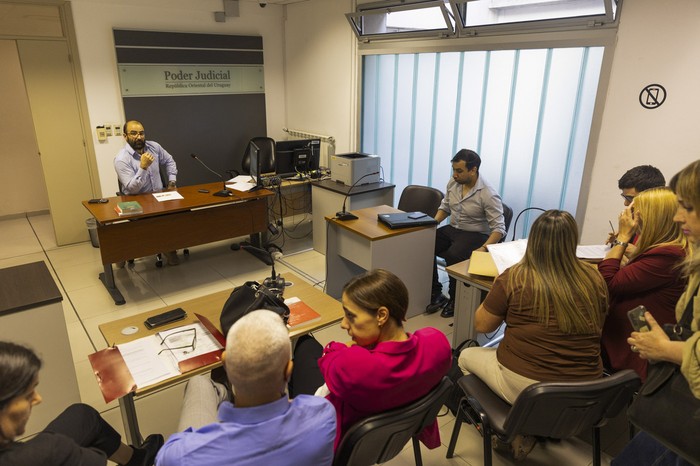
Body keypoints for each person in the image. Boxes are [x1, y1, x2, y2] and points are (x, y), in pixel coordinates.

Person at [458, 210, 608, 461]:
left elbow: (482, 325)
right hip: (587, 389)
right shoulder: (593, 276)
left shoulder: (515, 276)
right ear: (572, 240)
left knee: (465, 355)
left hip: (532, 388)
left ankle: (516, 429)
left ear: (534, 240)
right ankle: (536, 423)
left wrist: (498, 287)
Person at [292, 269, 452, 451]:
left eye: (350, 316)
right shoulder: (437, 344)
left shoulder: (358, 368)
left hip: (339, 442)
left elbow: (330, 356)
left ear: (381, 315)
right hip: (388, 443)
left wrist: (336, 347)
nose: (343, 324)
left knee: (305, 345)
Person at [155, 310, 336, 466]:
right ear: (288, 371)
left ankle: (224, 393)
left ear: (225, 364)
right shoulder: (323, 416)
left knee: (198, 383)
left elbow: (168, 455)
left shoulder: (179, 456)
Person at [615, 160, 700, 466]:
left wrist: (669, 350)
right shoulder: (691, 253)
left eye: (687, 207)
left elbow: (611, 283)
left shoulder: (670, 253)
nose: (679, 217)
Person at [0, 341, 163, 466]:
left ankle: (137, 460)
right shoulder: (52, 451)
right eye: (28, 395)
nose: (37, 399)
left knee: (82, 415)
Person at [598, 187, 689, 380]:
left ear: (652, 218)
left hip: (636, 356)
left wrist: (622, 239)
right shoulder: (669, 249)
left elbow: (608, 282)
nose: (630, 219)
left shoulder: (668, 255)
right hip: (628, 342)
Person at [427, 149, 506, 318]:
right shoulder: (453, 183)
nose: (455, 175)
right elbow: (445, 208)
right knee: (425, 243)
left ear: (473, 170)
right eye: (454, 170)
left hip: (476, 234)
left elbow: (499, 228)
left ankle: (455, 300)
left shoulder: (488, 194)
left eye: (459, 171)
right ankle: (435, 293)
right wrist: (430, 226)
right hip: (454, 229)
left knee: (454, 254)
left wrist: (484, 249)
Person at [114, 120, 179, 265]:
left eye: (141, 133)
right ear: (125, 136)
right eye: (133, 133)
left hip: (159, 196)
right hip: (135, 201)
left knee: (182, 213)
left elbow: (170, 161)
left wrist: (172, 182)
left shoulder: (153, 147)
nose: (139, 137)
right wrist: (142, 168)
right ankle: (125, 251)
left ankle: (170, 246)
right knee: (153, 223)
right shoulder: (121, 159)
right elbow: (132, 188)